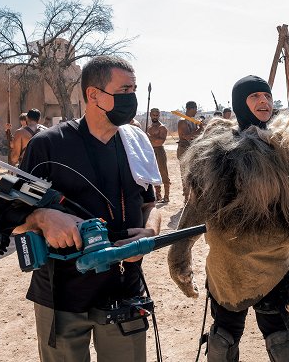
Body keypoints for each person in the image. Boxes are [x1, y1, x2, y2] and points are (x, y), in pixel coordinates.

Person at [14, 55, 161, 362]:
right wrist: (43, 217)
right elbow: (11, 219)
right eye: (124, 90)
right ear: (93, 94)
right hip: (62, 296)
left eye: (134, 89)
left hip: (125, 291)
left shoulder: (137, 141)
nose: (131, 98)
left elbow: (151, 205)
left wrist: (150, 230)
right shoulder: (47, 145)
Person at [168, 75, 289, 361]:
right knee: (223, 339)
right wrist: (179, 254)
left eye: (266, 96)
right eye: (254, 96)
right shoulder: (216, 152)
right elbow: (196, 208)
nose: (263, 101)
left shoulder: (286, 149)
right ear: (240, 102)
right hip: (226, 267)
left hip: (274, 266)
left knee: (281, 340)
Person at [177, 100, 202, 200]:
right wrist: (200, 129)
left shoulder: (192, 121)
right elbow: (187, 136)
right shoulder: (183, 121)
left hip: (192, 149)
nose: (196, 111)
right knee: (185, 174)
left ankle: (193, 197)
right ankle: (186, 198)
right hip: (184, 149)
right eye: (195, 109)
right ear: (189, 109)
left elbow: (196, 136)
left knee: (194, 173)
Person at [146, 108, 171, 203]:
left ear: (159, 115)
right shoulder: (149, 127)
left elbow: (160, 141)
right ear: (150, 115)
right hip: (150, 151)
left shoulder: (162, 127)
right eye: (153, 115)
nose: (155, 117)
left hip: (159, 151)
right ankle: (158, 195)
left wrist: (149, 136)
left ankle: (167, 196)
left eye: (157, 115)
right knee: (153, 173)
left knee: (163, 172)